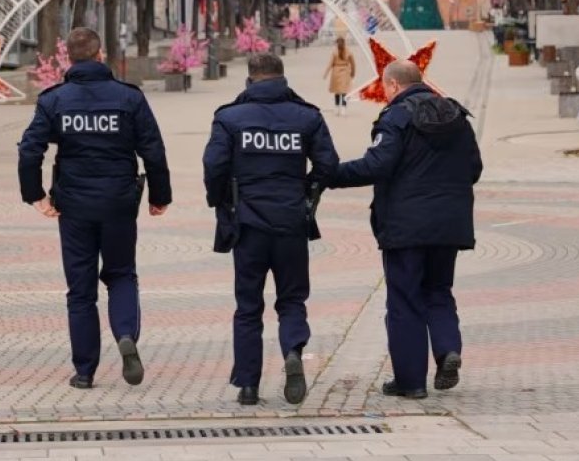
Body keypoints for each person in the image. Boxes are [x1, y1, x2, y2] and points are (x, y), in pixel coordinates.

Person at [18, 27, 171, 389]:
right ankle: (125, 335)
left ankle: (85, 371)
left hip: (74, 206)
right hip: (119, 202)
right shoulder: (129, 98)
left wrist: (35, 195)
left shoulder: (55, 100)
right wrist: (159, 196)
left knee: (80, 289)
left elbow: (29, 149)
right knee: (121, 274)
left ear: (68, 57)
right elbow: (153, 149)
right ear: (101, 55)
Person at [330, 60, 482, 399]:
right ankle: (447, 349)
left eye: (386, 88)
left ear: (395, 85)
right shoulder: (455, 115)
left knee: (405, 300)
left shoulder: (396, 116)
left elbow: (377, 165)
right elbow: (474, 167)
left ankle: (410, 381)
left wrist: (331, 175)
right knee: (439, 291)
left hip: (406, 227)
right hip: (450, 226)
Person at [203, 53, 339, 406]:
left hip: (247, 224)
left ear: (250, 79)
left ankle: (248, 385)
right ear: (283, 77)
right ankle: (292, 350)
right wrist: (308, 192)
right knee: (291, 298)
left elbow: (214, 165)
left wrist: (220, 201)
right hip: (291, 221)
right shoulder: (307, 116)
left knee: (248, 306)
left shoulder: (230, 117)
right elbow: (328, 164)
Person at [323, 37, 356, 116]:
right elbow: (353, 63)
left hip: (336, 72)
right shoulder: (349, 51)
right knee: (344, 91)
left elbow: (330, 63)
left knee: (337, 91)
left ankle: (337, 108)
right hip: (345, 71)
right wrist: (353, 73)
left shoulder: (334, 52)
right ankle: (344, 109)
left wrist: (326, 73)